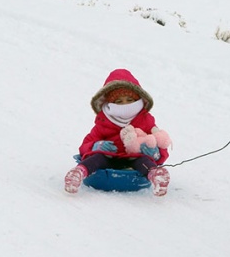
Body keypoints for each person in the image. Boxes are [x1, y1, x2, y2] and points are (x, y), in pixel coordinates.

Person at [64, 68, 172, 196]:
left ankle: (156, 176)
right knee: (97, 158)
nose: (125, 105)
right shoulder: (104, 121)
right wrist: (96, 146)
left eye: (129, 100)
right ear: (109, 104)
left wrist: (156, 154)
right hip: (108, 158)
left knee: (143, 161)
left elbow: (160, 142)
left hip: (134, 159)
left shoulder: (145, 121)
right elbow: (84, 147)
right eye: (118, 101)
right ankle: (78, 173)